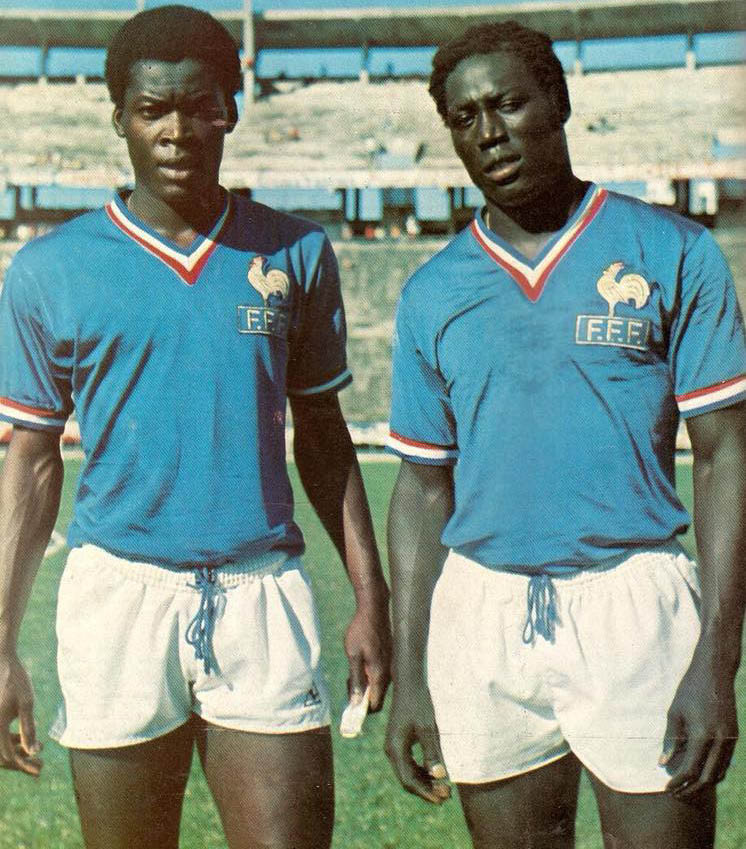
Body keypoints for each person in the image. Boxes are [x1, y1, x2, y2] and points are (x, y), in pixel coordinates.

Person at [0, 7, 391, 849]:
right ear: (120, 119)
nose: (176, 131)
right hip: (119, 594)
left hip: (261, 591)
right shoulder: (49, 269)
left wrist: (372, 597)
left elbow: (325, 438)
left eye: (199, 106)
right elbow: (31, 461)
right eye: (152, 109)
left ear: (230, 111)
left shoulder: (294, 251)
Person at [384, 20, 745, 849]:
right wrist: (410, 671)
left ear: (559, 102)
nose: (490, 132)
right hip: (483, 609)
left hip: (634, 599)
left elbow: (725, 455)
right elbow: (422, 488)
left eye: (509, 104)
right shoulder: (433, 291)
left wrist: (717, 659)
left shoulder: (672, 251)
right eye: (465, 117)